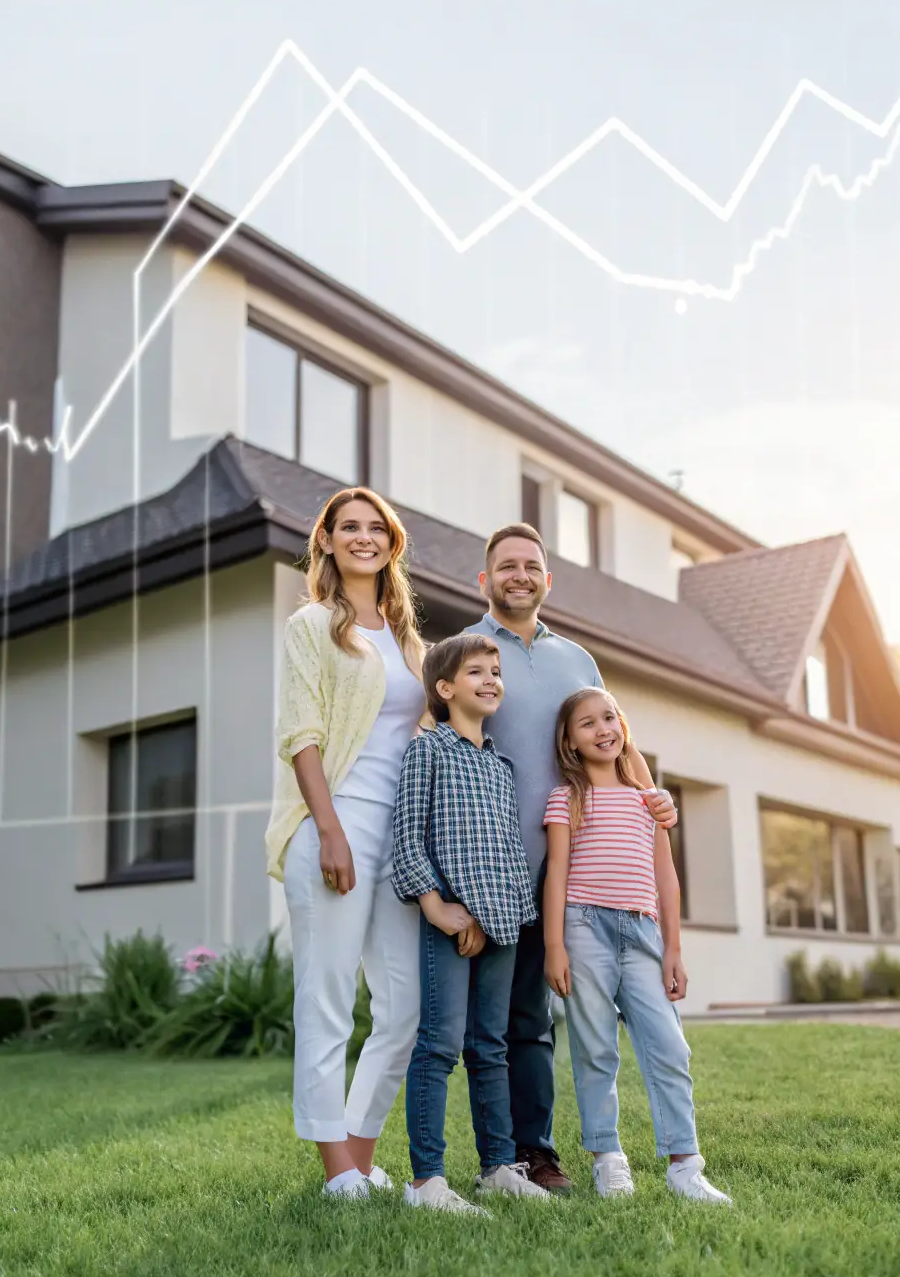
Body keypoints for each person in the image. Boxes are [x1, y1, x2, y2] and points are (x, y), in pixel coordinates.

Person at [466, 522, 678, 1193]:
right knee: (494, 1021)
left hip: (575, 872)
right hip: (495, 866)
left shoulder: (577, 659)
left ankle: (537, 1154)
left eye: (531, 565)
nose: (520, 575)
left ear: (547, 580)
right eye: (507, 566)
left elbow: (617, 737)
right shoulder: (469, 652)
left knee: (537, 1021)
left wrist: (651, 799)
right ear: (486, 579)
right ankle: (498, 1157)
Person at [265, 487, 427, 1201]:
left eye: (376, 528)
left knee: (404, 1007)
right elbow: (301, 734)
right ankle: (336, 1170)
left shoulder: (408, 640)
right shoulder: (311, 626)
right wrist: (329, 829)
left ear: (392, 543)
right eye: (349, 527)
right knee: (327, 999)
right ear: (326, 541)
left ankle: (361, 1155)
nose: (364, 537)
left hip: (399, 837)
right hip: (336, 824)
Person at [542, 686, 732, 1204]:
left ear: (622, 726)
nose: (603, 729)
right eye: (587, 723)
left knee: (669, 1046)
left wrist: (674, 948)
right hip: (583, 927)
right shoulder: (566, 797)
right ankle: (608, 1159)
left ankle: (685, 1165)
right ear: (570, 741)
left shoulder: (648, 801)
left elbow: (666, 876)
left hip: (643, 931)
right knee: (596, 1047)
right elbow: (556, 872)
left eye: (609, 718)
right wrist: (554, 945)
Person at [391, 635, 550, 1214]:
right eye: (476, 671)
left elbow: (507, 851)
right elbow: (408, 836)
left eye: (496, 671)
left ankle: (498, 1167)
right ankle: (426, 1181)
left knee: (491, 1047)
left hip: (501, 920)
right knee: (439, 1045)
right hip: (448, 917)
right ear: (444, 688)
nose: (491, 680)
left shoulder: (501, 766)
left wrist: (495, 915)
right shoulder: (428, 751)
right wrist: (438, 907)